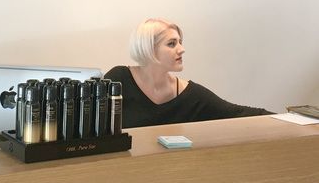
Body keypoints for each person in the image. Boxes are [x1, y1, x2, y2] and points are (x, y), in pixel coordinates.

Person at [104, 18, 272, 128]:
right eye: (171, 44)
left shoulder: (191, 95)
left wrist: (292, 117)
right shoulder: (118, 80)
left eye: (180, 42)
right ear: (149, 48)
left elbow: (237, 113)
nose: (182, 49)